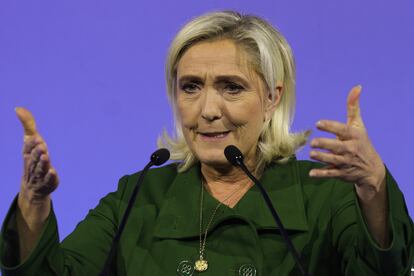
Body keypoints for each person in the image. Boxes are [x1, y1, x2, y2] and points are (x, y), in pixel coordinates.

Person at [0, 10, 412, 276]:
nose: (207, 110)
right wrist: (34, 204)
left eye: (231, 88)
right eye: (191, 87)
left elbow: (382, 270)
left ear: (272, 98)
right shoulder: (138, 197)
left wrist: (373, 185)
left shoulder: (325, 195)